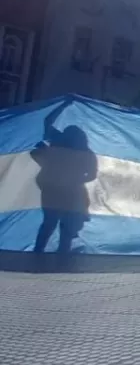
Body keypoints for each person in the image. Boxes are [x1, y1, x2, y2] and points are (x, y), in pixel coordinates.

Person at [32, 104, 98, 254]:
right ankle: (62, 257)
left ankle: (37, 253)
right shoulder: (87, 153)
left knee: (49, 223)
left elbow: (47, 121)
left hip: (50, 190)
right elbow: (92, 175)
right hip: (72, 193)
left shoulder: (57, 142)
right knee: (67, 227)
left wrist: (64, 104)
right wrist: (75, 180)